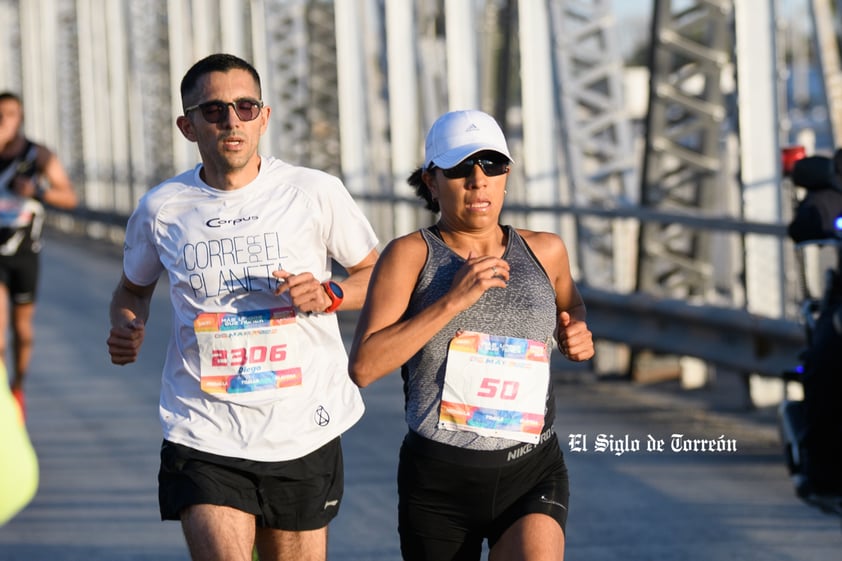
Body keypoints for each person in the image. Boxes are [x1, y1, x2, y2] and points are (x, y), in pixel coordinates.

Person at [106, 53, 379, 561]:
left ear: (265, 117)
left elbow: (378, 277)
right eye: (213, 110)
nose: (232, 120)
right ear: (188, 126)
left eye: (245, 107)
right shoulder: (162, 208)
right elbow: (132, 289)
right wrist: (127, 322)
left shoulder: (313, 192)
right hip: (203, 427)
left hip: (302, 427)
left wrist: (330, 293)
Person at [349, 109, 594, 561]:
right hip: (441, 481)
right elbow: (364, 367)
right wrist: (451, 301)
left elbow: (571, 308)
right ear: (431, 181)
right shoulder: (409, 256)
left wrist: (576, 332)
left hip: (531, 467)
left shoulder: (547, 249)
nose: (478, 181)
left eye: (492, 165)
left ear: (507, 176)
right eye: (461, 169)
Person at [0, 91, 78, 419]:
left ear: (21, 118)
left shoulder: (38, 155)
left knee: (22, 327)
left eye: (11, 114)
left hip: (25, 251)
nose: (4, 120)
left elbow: (69, 198)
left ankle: (18, 386)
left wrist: (38, 191)